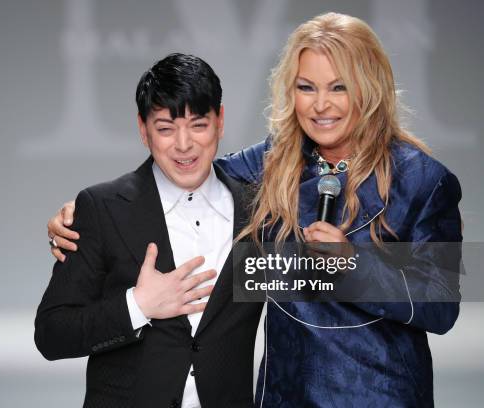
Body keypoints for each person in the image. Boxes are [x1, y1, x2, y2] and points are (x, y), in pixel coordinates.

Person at [48, 13, 462, 407]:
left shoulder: (423, 180)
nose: (321, 105)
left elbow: (443, 306)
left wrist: (355, 267)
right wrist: (88, 212)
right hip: (281, 395)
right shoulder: (275, 159)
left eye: (339, 87)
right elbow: (191, 174)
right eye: (306, 87)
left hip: (378, 396)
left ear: (369, 88)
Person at [35, 53, 262, 408]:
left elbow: (325, 294)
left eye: (198, 125)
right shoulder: (103, 208)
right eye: (166, 128)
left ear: (220, 121)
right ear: (143, 130)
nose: (184, 144)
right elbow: (51, 334)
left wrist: (339, 256)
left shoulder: (262, 213)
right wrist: (137, 306)